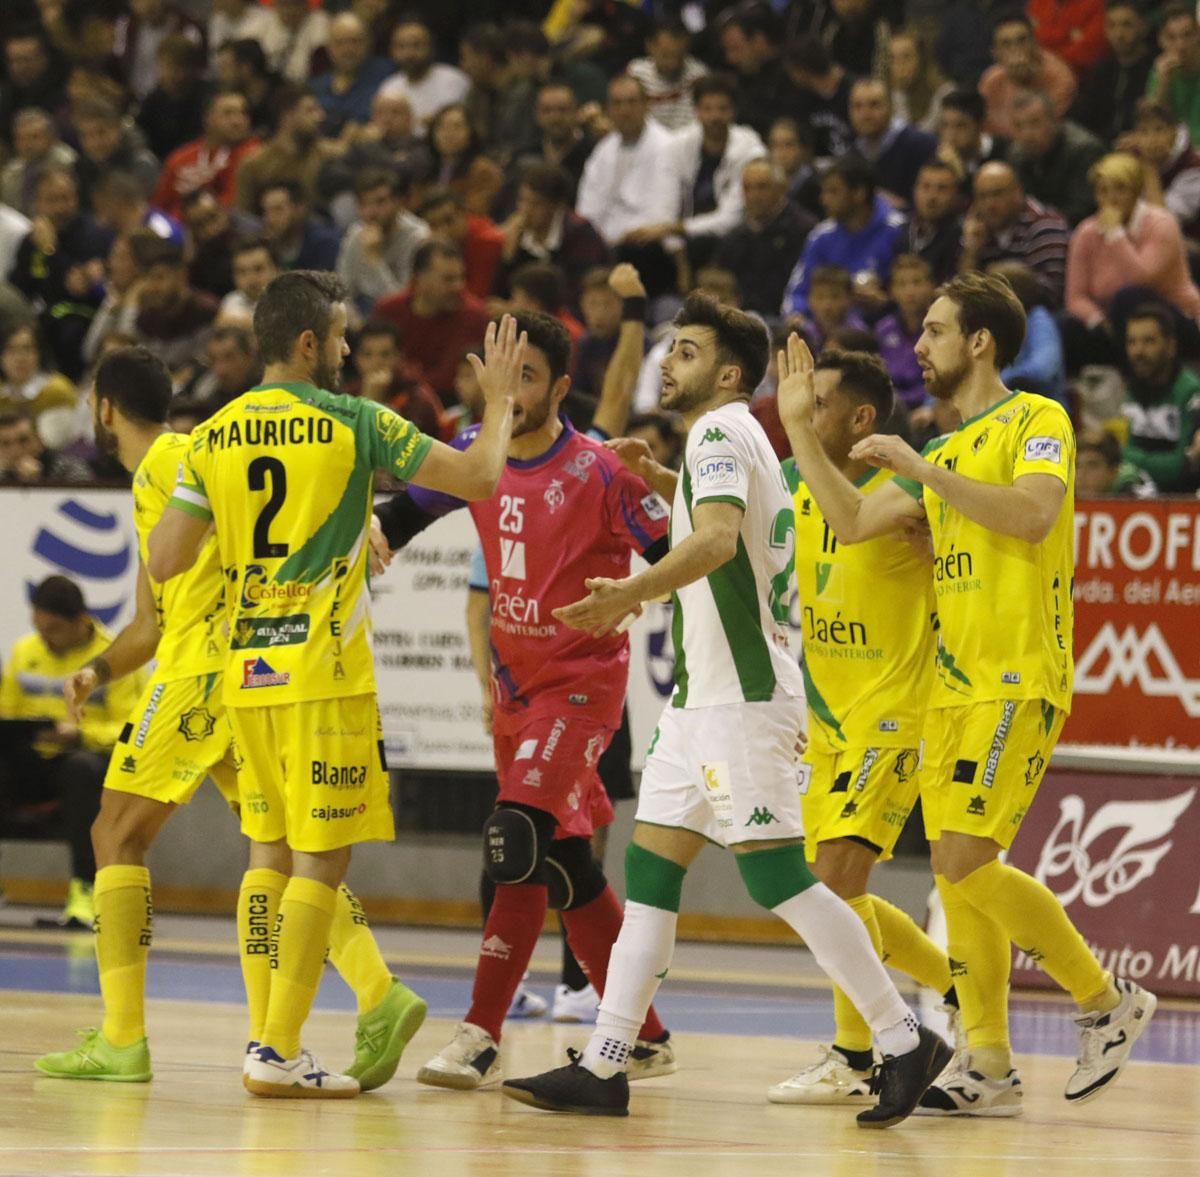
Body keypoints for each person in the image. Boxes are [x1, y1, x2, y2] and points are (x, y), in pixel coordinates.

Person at [500, 292, 950, 1124]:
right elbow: (730, 525)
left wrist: (628, 591)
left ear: (730, 372)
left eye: (686, 350)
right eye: (668, 347)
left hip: (740, 696)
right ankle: (606, 1062)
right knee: (651, 869)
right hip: (701, 700)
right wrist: (661, 480)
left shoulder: (717, 430)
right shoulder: (744, 439)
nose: (668, 361)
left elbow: (712, 543)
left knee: (778, 876)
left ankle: (901, 1036)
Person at [775, 272, 1157, 1115]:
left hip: (1018, 671)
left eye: (935, 330)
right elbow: (848, 520)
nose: (919, 346)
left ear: (979, 342)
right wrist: (801, 425)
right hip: (952, 687)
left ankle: (1106, 1002)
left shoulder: (1036, 419)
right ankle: (988, 1062)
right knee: (958, 879)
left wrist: (919, 468)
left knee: (966, 862)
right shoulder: (939, 454)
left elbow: (1030, 515)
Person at [145, 272, 517, 1096]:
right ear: (309, 342)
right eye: (343, 336)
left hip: (247, 670)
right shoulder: (355, 420)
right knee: (321, 858)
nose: (350, 349)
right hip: (322, 671)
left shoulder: (211, 434)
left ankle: (265, 1042)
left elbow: (165, 559)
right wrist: (496, 402)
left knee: (267, 854)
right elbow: (484, 476)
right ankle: (275, 1052)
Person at [33, 346, 425, 1090]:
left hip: (207, 676)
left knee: (114, 831)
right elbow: (150, 619)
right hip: (235, 676)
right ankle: (380, 991)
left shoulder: (177, 455)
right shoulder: (160, 476)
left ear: (103, 406)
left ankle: (122, 1038)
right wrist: (97, 668)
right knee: (281, 848)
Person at [373, 304, 677, 1093]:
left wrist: (635, 591)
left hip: (582, 686)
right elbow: (404, 514)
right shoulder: (477, 451)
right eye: (499, 374)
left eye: (527, 376)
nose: (508, 389)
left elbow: (682, 556)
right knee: (565, 860)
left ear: (563, 387)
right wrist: (369, 539)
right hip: (515, 690)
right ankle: (642, 1032)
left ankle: (479, 1032)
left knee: (514, 839)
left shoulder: (601, 470)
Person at [769, 346, 959, 1106]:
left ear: (861, 418)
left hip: (892, 711)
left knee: (833, 883)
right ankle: (963, 986)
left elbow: (848, 522)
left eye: (814, 403)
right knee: (830, 894)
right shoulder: (793, 482)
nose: (800, 414)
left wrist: (796, 435)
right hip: (824, 719)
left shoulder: (903, 489)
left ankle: (858, 1050)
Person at [0, 575, 145, 929]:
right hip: (35, 761)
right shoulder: (25, 651)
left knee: (81, 770)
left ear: (81, 621)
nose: (45, 637)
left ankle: (84, 890)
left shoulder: (114, 659)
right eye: (39, 627)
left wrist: (80, 734)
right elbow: (8, 712)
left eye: (54, 629)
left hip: (90, 762)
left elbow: (131, 728)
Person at [1065, 153, 1200, 367]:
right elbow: (1075, 297)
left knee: (1129, 297)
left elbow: (1141, 278)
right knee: (1068, 325)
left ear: (1136, 192)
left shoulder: (1161, 223)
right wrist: (1100, 321)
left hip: (1176, 318)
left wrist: (1116, 235)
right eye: (1103, 191)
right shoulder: (1086, 232)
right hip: (1116, 325)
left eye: (1120, 189)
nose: (1111, 198)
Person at [575, 75, 682, 301]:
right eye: (618, 103)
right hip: (606, 247)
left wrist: (619, 237)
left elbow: (663, 213)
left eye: (632, 102)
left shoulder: (669, 147)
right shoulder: (603, 151)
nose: (625, 110)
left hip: (648, 252)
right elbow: (587, 210)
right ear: (609, 109)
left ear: (646, 105)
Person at [781, 157, 907, 318]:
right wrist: (797, 316)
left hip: (883, 330)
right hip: (825, 332)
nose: (823, 200)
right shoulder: (821, 236)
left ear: (859, 193)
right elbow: (797, 294)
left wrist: (885, 303)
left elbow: (913, 292)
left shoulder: (899, 231)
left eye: (833, 191)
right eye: (824, 191)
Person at [373, 240, 491, 403]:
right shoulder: (388, 310)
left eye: (461, 277)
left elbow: (449, 379)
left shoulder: (474, 316)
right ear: (420, 279)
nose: (459, 286)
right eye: (448, 279)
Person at [494, 164, 610, 315]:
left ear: (557, 206)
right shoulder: (517, 235)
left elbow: (575, 299)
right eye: (522, 200)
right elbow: (500, 293)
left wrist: (519, 311)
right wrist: (507, 256)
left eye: (535, 204)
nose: (525, 210)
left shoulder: (581, 236)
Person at [713, 159, 816, 321]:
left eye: (762, 187)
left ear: (781, 188)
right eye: (747, 188)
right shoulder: (734, 237)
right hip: (741, 320)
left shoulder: (805, 231)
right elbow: (720, 283)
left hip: (786, 321)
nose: (754, 195)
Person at [961, 162, 1069, 308]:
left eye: (997, 194)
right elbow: (963, 297)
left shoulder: (1043, 224)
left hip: (1034, 316)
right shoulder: (977, 229)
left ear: (1018, 193)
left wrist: (998, 277)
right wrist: (971, 253)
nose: (990, 204)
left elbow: (1052, 293)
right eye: (982, 196)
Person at [1118, 304, 1200, 492]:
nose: (1138, 351)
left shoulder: (1190, 392)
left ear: (1170, 346)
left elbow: (1181, 468)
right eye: (1132, 342)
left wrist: (1130, 457)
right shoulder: (1132, 389)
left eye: (1149, 341)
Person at [151, 89, 260, 221]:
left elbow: (232, 204)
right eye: (228, 113)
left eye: (243, 113)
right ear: (207, 118)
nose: (238, 121)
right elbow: (158, 207)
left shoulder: (252, 155)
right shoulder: (180, 159)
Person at [234, 84, 341, 216]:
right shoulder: (255, 165)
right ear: (288, 115)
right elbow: (243, 218)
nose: (320, 116)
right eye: (310, 110)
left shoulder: (330, 154)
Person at [336, 169, 430, 316]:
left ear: (398, 201)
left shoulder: (418, 238)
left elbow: (403, 307)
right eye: (363, 204)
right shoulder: (356, 234)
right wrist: (356, 325)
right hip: (361, 315)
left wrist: (375, 259)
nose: (371, 212)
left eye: (380, 202)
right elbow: (342, 293)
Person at [1009, 90, 1106, 228]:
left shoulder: (1084, 150)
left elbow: (1085, 210)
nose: (1027, 134)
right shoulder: (1016, 154)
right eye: (1018, 126)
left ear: (1055, 120)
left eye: (1034, 123)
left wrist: (1039, 224)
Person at [979, 12, 1077, 141]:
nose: (1015, 49)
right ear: (995, 53)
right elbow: (985, 132)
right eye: (1006, 44)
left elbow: (1041, 129)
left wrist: (1024, 81)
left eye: (1022, 41)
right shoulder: (991, 83)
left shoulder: (1058, 76)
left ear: (1035, 44)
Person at [847, 77, 937, 208]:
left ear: (891, 107)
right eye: (857, 106)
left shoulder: (922, 145)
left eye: (874, 105)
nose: (865, 115)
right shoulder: (851, 156)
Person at [988, 260, 1067, 409]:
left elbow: (1044, 368)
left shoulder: (1039, 320)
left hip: (1044, 412)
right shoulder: (994, 325)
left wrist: (1001, 380)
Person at [1072, 1, 1155, 143]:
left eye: (1127, 25)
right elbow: (1083, 117)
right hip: (1100, 146)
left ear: (1143, 26)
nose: (1119, 34)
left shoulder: (1155, 68)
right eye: (1112, 25)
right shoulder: (1100, 70)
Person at [378, 15, 470, 130]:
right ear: (392, 51)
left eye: (416, 45)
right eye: (402, 46)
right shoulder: (389, 88)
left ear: (431, 47)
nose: (409, 53)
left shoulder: (455, 80)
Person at [310, 13, 394, 138]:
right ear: (328, 47)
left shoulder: (387, 73)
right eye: (340, 42)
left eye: (355, 41)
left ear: (368, 43)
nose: (348, 49)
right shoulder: (315, 87)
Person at [875, 254, 937, 413]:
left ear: (931, 286)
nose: (910, 291)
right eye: (902, 284)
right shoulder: (883, 329)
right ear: (892, 290)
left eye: (917, 282)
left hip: (928, 407)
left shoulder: (940, 328)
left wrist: (930, 407)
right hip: (892, 409)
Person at [419, 188, 503, 303]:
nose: (443, 230)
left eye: (448, 221)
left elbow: (476, 297)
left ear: (465, 213)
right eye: (434, 225)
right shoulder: (431, 243)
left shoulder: (486, 241)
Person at [627, 16, 708, 132]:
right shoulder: (636, 74)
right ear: (650, 47)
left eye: (679, 56)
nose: (673, 63)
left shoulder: (698, 76)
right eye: (666, 56)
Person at [899, 159, 963, 284]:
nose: (932, 196)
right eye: (925, 187)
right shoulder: (898, 232)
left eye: (942, 189)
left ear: (956, 195)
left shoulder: (962, 238)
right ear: (914, 191)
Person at [1146, 2, 1200, 147]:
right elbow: (1149, 126)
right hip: (1172, 152)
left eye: (1187, 35)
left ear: (1198, 35)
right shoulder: (1160, 72)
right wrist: (1162, 86)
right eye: (1172, 37)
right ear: (1161, 40)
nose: (1181, 45)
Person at [259, 180, 340, 273]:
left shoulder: (325, 243)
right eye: (266, 211)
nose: (270, 219)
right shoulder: (265, 245)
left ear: (299, 209)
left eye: (278, 210)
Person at [936, 89, 1006, 193]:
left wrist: (960, 175)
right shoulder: (938, 158)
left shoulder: (1005, 154)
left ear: (980, 125)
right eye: (945, 125)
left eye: (960, 125)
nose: (950, 135)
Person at [887, 28, 953, 135]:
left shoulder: (945, 95)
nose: (899, 65)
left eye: (906, 57)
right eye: (893, 59)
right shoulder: (891, 96)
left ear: (922, 60)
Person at [0, 408, 91, 483]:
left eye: (24, 440)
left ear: (39, 440)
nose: (15, 449)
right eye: (5, 443)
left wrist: (38, 481)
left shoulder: (68, 468)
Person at [1076, 427, 1157, 498]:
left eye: (1092, 466)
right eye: (1076, 466)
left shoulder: (1135, 498)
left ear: (1113, 471)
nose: (1081, 475)